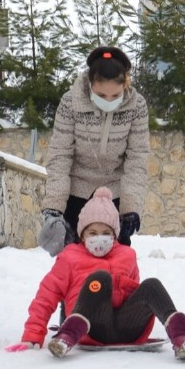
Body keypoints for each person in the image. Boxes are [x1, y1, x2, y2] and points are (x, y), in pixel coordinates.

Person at [8, 187, 185, 360]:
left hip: (127, 326)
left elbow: (135, 297)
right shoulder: (70, 258)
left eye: (106, 232)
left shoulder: (127, 255)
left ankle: (181, 337)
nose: (100, 238)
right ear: (82, 234)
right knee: (100, 278)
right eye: (93, 232)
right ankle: (67, 337)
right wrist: (33, 334)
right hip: (90, 327)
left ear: (114, 235)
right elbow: (46, 296)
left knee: (151, 285)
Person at [38, 46, 149, 256]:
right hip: (76, 192)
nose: (108, 101)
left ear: (125, 84)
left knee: (116, 262)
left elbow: (137, 159)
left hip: (114, 193)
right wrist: (54, 208)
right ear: (90, 84)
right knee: (73, 261)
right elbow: (60, 155)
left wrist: (130, 208)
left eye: (115, 95)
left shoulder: (137, 106)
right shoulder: (70, 103)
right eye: (100, 95)